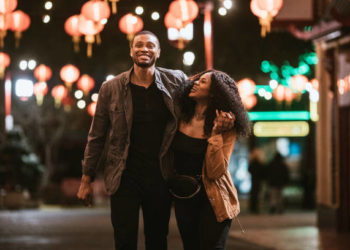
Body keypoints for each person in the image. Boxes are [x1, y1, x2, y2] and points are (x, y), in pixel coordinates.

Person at [76, 31, 234, 250]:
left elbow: (207, 93)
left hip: (161, 176)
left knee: (158, 240)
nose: (144, 49)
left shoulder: (176, 80)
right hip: (123, 177)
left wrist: (227, 115)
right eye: (139, 45)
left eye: (150, 45)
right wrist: (86, 179)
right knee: (124, 240)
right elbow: (96, 136)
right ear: (131, 51)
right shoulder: (110, 88)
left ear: (158, 52)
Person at [169, 70, 251, 250]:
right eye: (197, 80)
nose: (195, 83)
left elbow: (215, 171)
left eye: (203, 82)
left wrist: (215, 134)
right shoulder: (178, 118)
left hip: (213, 197)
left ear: (214, 92)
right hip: (185, 196)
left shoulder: (224, 125)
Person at [248, 148, 265, 214]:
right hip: (258, 180)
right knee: (257, 194)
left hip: (253, 180)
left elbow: (249, 170)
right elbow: (263, 172)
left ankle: (252, 207)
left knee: (253, 194)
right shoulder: (260, 163)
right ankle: (256, 208)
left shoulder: (252, 163)